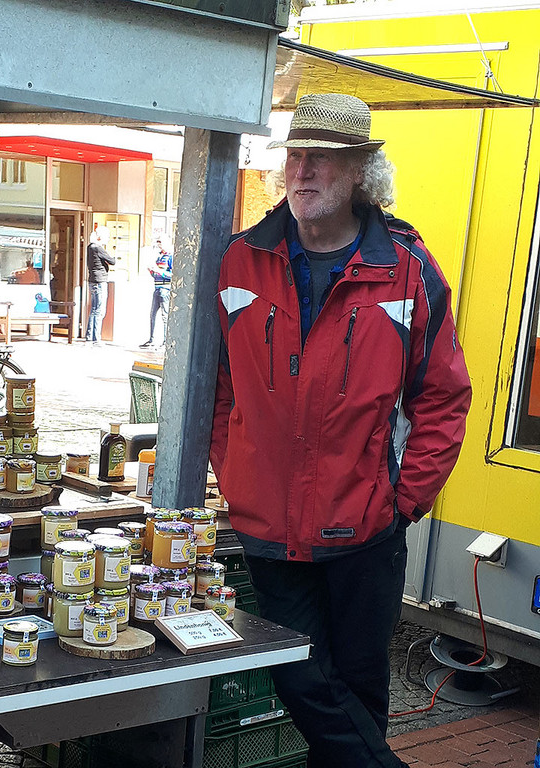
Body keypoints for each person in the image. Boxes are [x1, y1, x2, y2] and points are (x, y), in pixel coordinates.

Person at [210, 93, 471, 768]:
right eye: (297, 156)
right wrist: (236, 473)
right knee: (303, 681)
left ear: (361, 171)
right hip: (268, 528)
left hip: (365, 530)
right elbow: (215, 389)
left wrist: (403, 500)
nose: (304, 170)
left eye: (324, 159)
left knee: (357, 695)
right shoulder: (243, 260)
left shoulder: (407, 270)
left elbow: (444, 398)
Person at [140, 236, 173, 348]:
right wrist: (152, 271)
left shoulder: (170, 257)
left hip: (165, 289)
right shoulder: (159, 257)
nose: (159, 245)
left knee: (165, 316)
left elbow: (172, 275)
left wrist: (159, 271)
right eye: (158, 242)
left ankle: (165, 341)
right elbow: (156, 275)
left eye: (161, 242)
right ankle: (152, 339)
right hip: (157, 288)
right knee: (152, 314)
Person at [85, 226, 115, 345]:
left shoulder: (90, 247)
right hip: (100, 281)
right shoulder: (98, 248)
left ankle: (90, 336)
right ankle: (96, 337)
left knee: (94, 309)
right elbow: (112, 261)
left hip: (93, 280)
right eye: (106, 237)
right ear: (100, 237)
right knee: (99, 311)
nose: (107, 239)